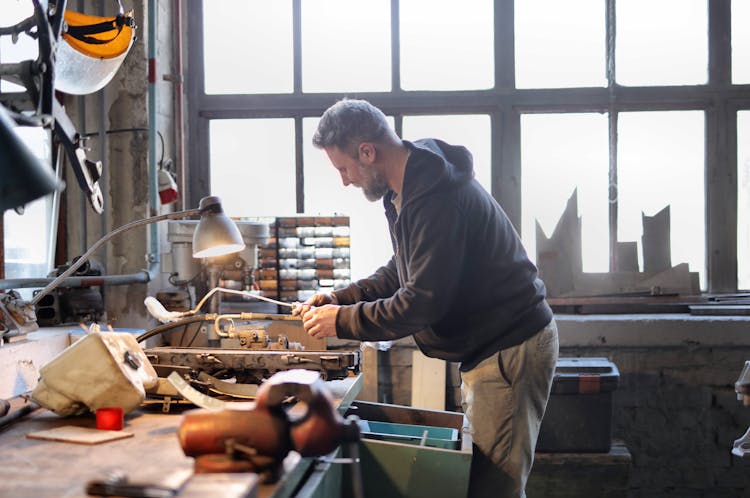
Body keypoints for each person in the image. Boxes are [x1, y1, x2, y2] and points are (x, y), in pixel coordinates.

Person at [297, 98, 559, 498]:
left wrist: (342, 321)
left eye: (344, 168)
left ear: (368, 151)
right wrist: (340, 297)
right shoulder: (407, 189)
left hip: (509, 347)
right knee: (485, 484)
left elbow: (422, 301)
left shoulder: (434, 195)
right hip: (490, 348)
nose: (345, 181)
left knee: (493, 491)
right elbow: (401, 269)